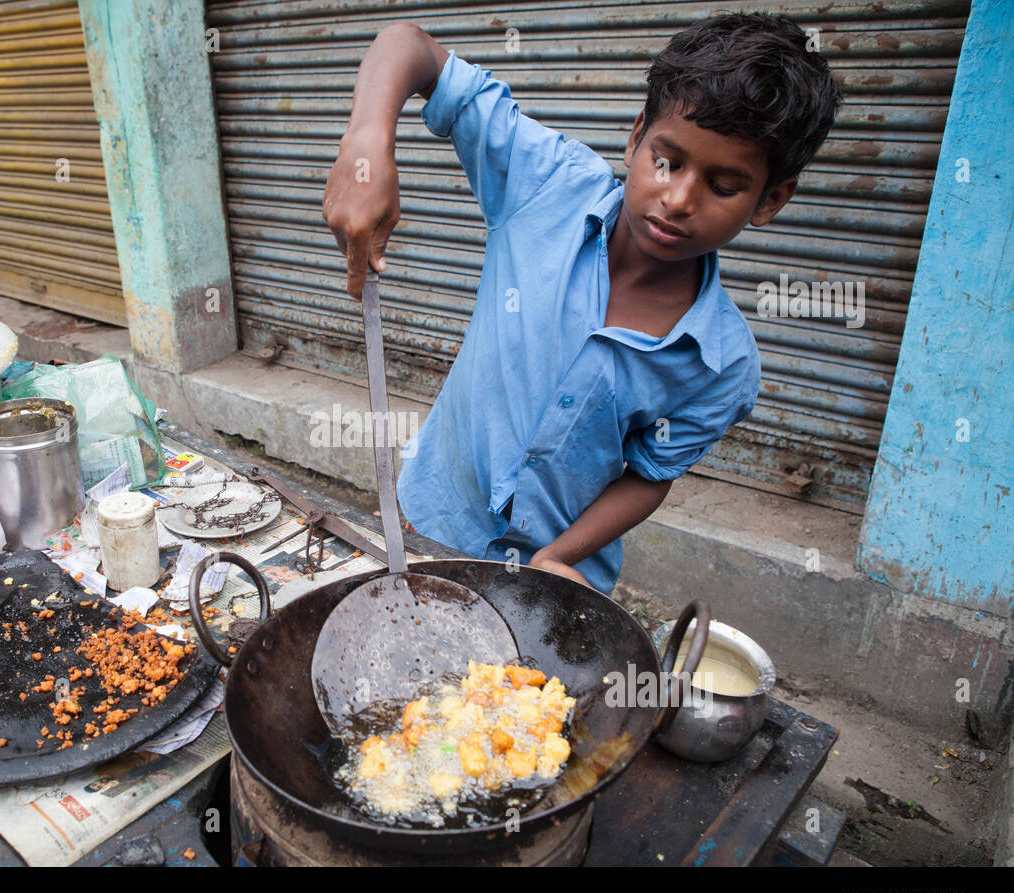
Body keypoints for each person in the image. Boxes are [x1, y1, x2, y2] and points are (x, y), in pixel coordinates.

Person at [322, 14, 841, 593]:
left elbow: (648, 475)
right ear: (637, 134)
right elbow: (408, 45)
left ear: (770, 200)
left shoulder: (721, 364)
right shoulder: (547, 185)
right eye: (666, 162)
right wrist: (366, 142)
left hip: (555, 585)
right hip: (428, 523)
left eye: (723, 187)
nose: (678, 198)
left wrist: (556, 556)